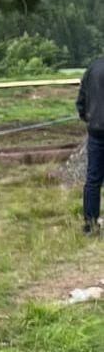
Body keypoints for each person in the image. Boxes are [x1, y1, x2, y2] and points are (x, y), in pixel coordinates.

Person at [76, 55, 104, 234]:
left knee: (93, 180)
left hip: (96, 130)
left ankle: (90, 225)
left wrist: (87, 117)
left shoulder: (93, 68)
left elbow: (81, 98)